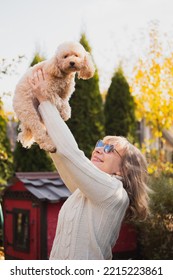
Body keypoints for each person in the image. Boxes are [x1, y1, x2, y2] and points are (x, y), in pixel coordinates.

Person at [29, 69, 150, 260]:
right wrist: (43, 120)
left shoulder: (114, 193)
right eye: (100, 144)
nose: (99, 149)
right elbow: (63, 158)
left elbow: (72, 155)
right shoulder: (85, 191)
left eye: (110, 149)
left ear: (123, 169)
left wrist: (46, 102)